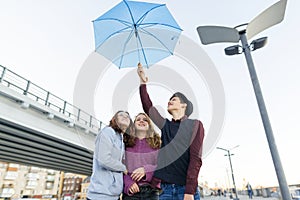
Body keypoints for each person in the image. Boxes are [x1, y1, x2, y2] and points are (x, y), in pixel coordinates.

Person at [137, 63, 205, 200]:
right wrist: (142, 83)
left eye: (174, 99)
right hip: (165, 190)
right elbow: (148, 107)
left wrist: (190, 191)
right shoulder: (166, 125)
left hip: (184, 189)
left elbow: (195, 159)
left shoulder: (195, 125)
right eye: (169, 99)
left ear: (184, 105)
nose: (169, 101)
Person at [87, 111, 132, 200]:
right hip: (100, 196)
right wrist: (123, 168)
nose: (125, 117)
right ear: (114, 120)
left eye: (127, 116)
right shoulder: (108, 131)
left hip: (114, 196)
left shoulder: (120, 138)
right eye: (121, 115)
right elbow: (103, 160)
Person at [123, 112, 161, 200]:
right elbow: (121, 167)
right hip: (131, 192)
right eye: (138, 120)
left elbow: (162, 168)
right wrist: (129, 182)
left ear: (149, 125)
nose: (141, 121)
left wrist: (146, 170)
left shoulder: (157, 145)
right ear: (134, 125)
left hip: (151, 192)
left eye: (145, 120)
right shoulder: (126, 144)